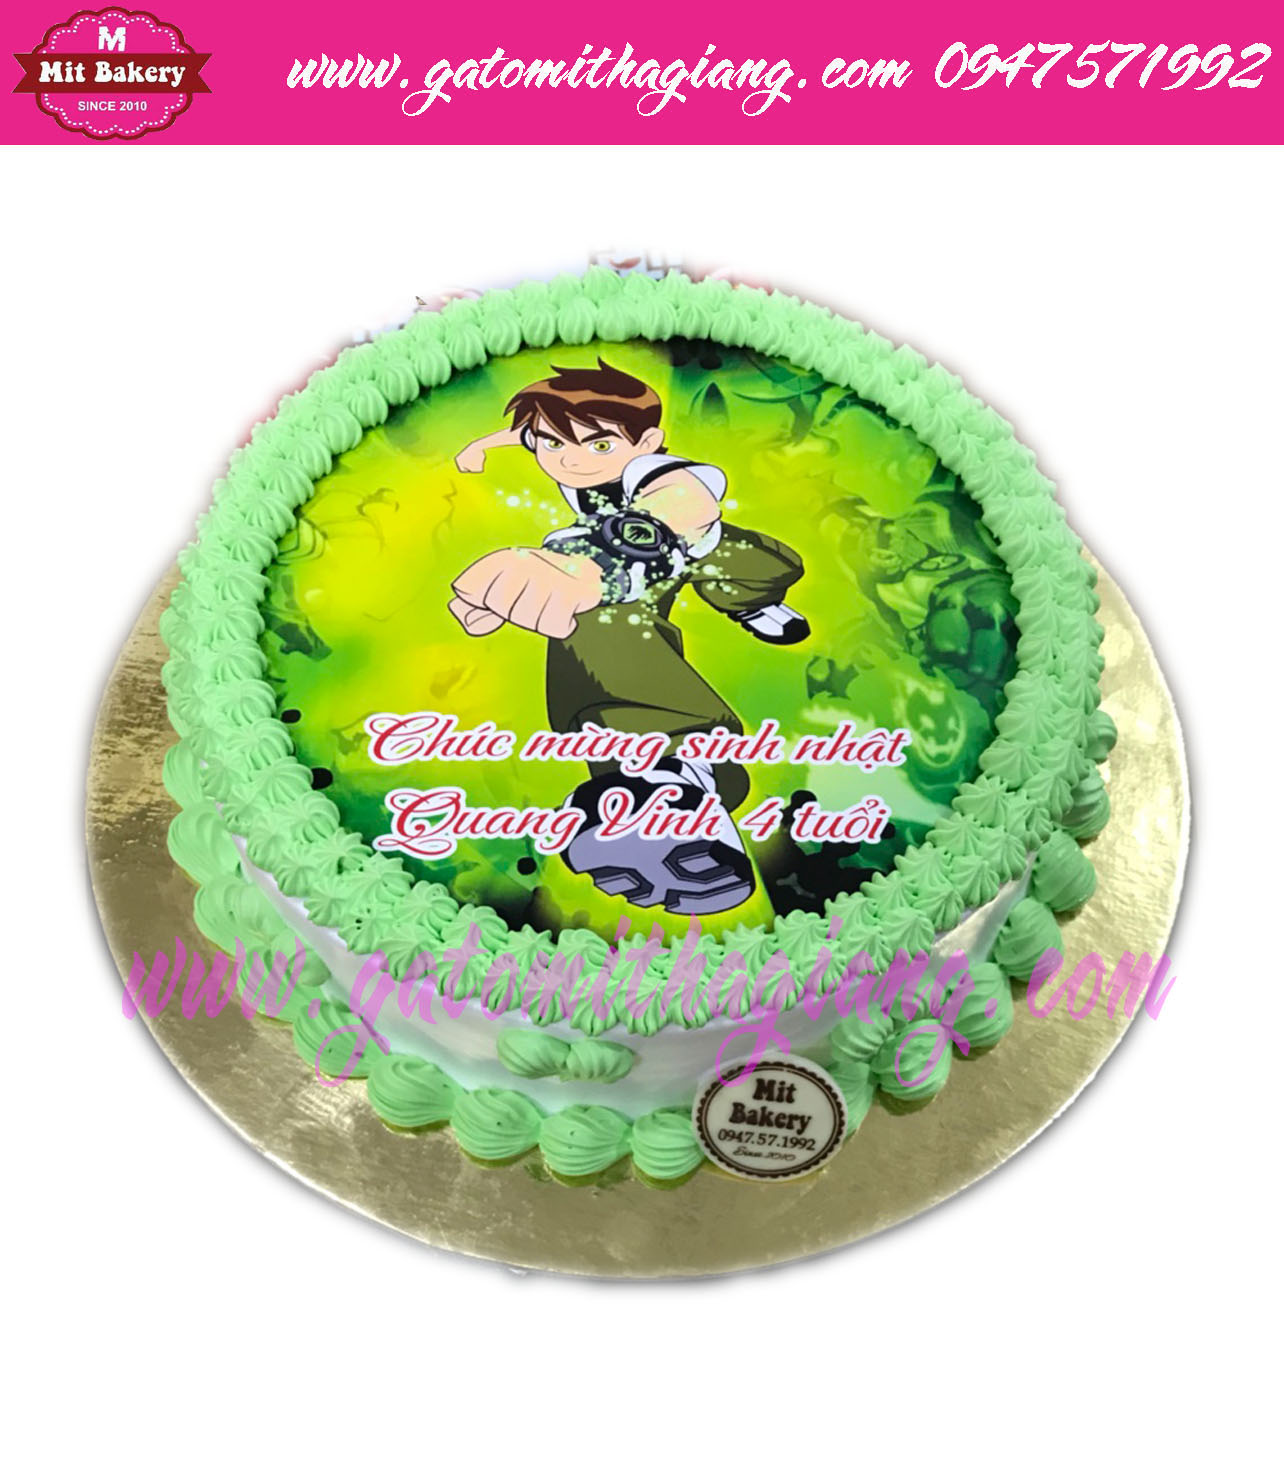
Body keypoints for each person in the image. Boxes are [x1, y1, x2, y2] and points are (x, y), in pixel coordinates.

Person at [450, 358, 808, 915]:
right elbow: (529, 434)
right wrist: (483, 446)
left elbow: (684, 501)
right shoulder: (556, 448)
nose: (570, 459)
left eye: (599, 445)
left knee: (736, 575)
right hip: (634, 559)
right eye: (551, 444)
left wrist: (594, 565)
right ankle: (652, 780)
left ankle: (682, 764)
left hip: (706, 548)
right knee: (597, 624)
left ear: (647, 442)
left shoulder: (658, 471)